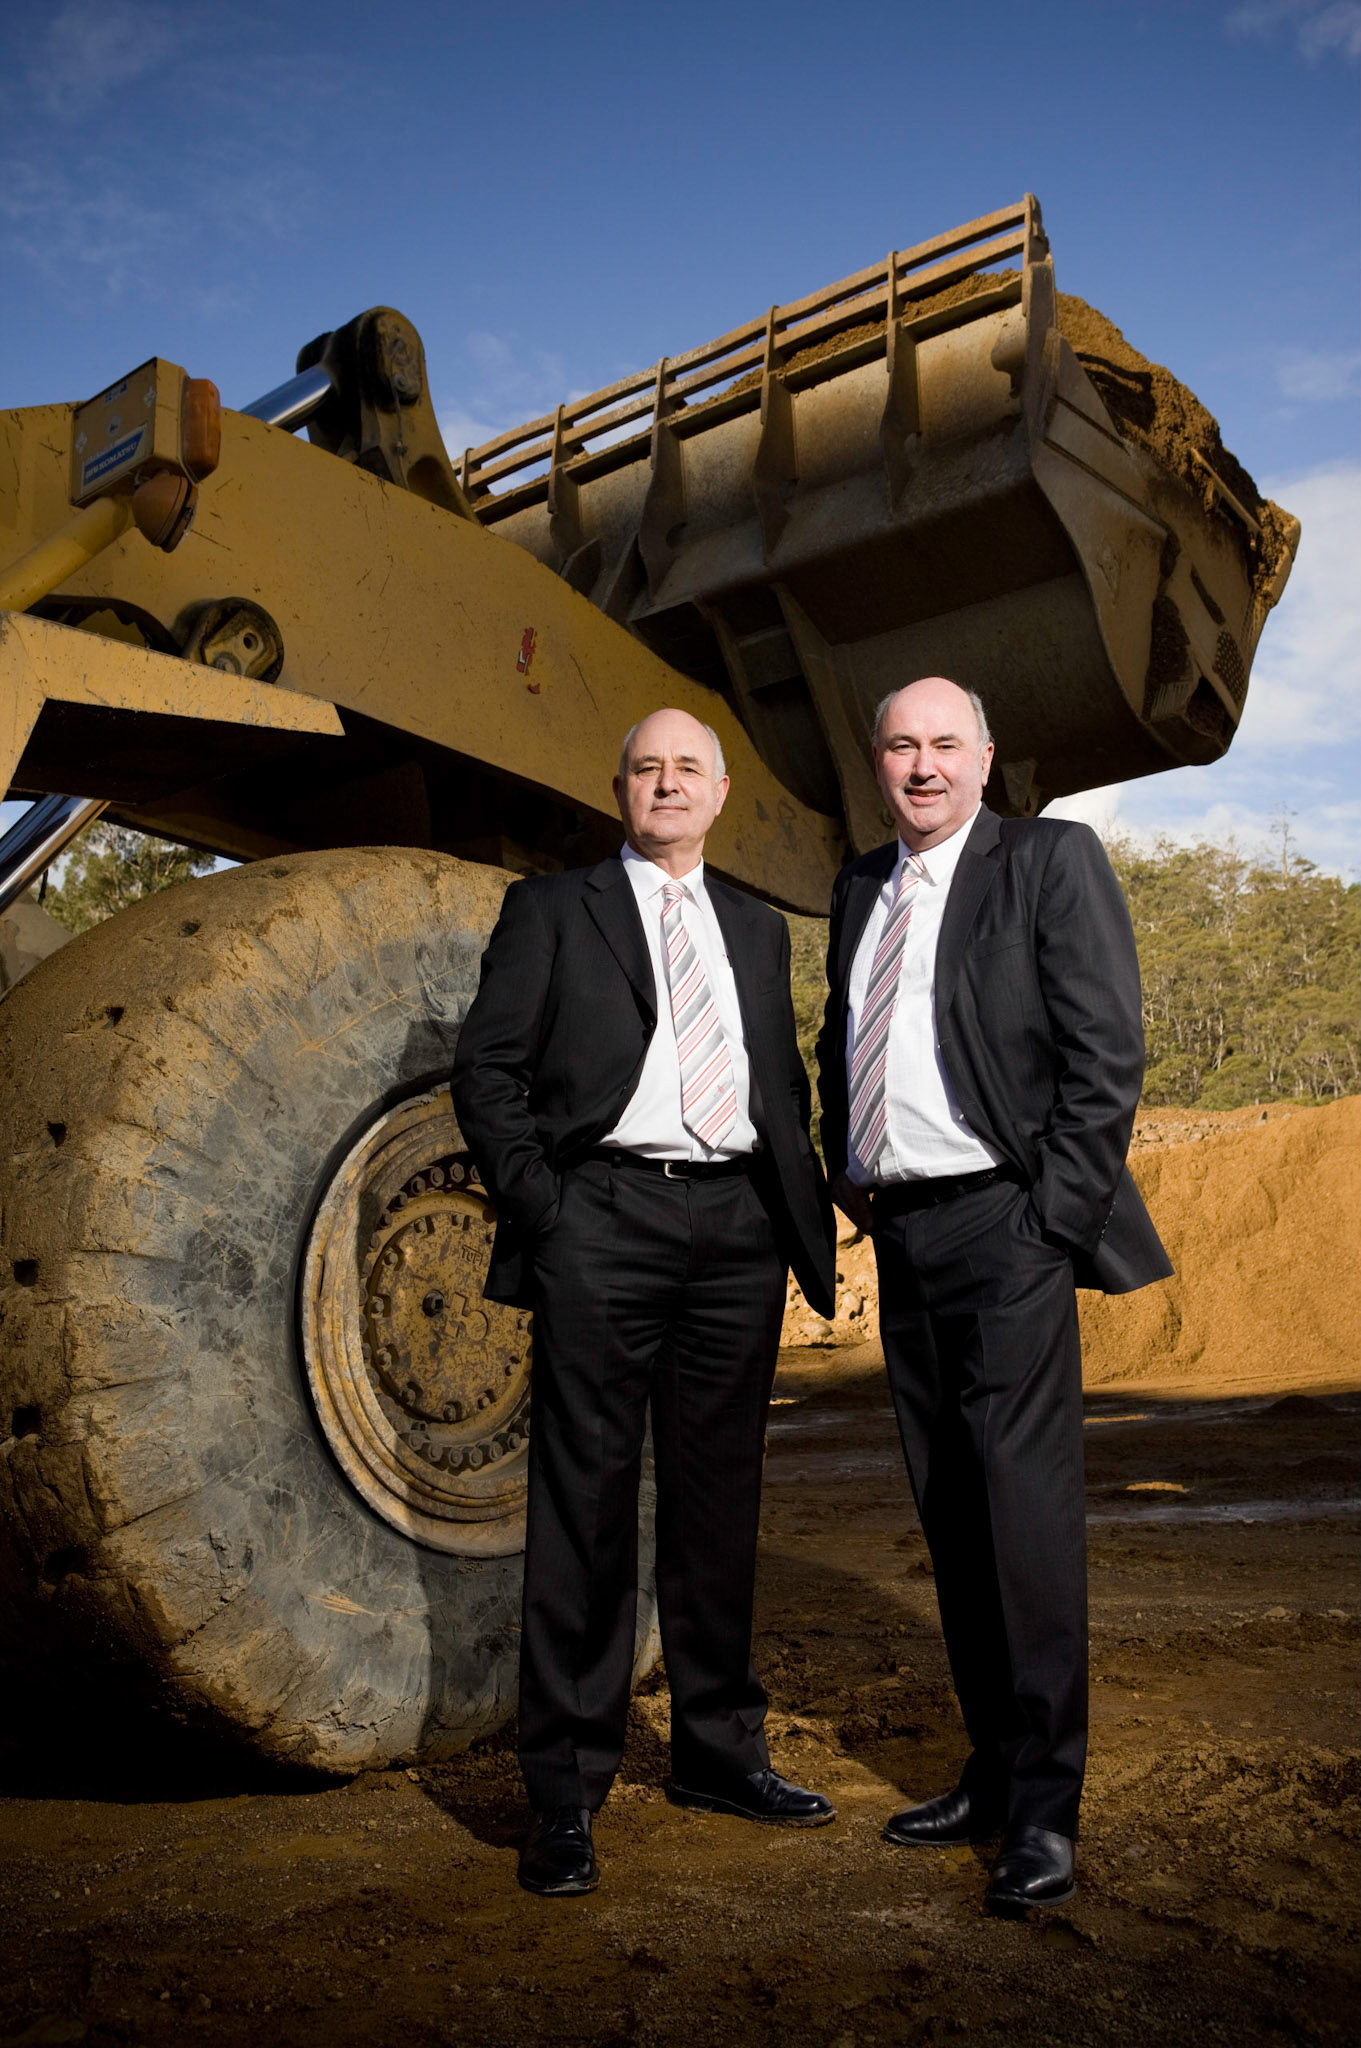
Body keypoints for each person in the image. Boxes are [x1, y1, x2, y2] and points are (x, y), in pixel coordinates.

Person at [453, 706, 837, 1897]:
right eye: (647, 767)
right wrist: (549, 1207)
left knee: (721, 1502)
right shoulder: (551, 909)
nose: (667, 784)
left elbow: (778, 1077)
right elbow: (489, 1069)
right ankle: (563, 1789)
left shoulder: (757, 929)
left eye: (688, 769)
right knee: (585, 1506)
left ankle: (719, 1752)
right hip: (601, 1220)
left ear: (720, 793)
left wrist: (797, 1199)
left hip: (735, 1233)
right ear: (618, 787)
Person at [816, 675, 1171, 1916]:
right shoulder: (861, 882)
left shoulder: (1046, 858)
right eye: (900, 744)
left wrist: (1045, 1223)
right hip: (905, 1233)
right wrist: (850, 1175)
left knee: (1021, 1519)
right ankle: (987, 1765)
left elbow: (1103, 1049)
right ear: (877, 761)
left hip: (1004, 1224)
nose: (922, 765)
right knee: (952, 1512)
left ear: (984, 755)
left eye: (943, 743)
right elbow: (837, 1039)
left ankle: (1041, 1810)